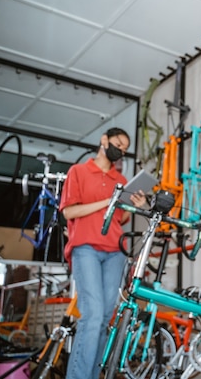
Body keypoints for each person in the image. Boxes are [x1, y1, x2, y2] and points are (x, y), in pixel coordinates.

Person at [60, 127, 146, 379]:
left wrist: (133, 206)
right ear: (103, 140)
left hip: (115, 252)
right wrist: (108, 201)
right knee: (93, 314)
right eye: (117, 144)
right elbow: (69, 212)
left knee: (106, 318)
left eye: (124, 149)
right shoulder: (78, 171)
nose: (119, 151)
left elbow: (122, 218)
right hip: (85, 248)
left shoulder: (121, 182)